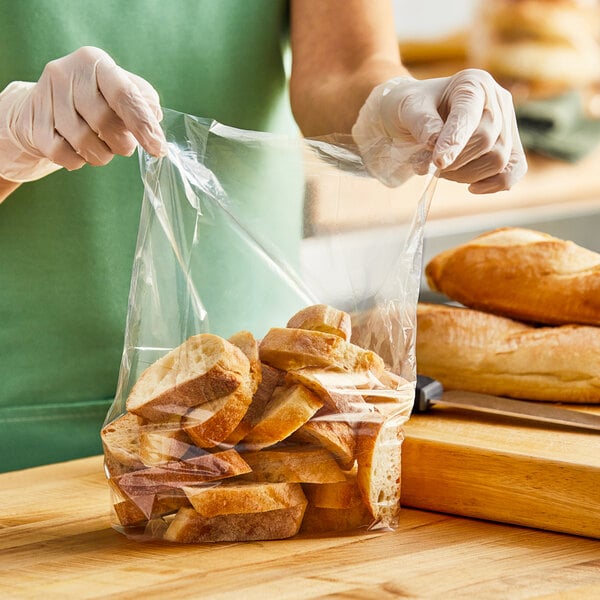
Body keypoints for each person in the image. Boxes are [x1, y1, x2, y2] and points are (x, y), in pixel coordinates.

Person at [0, 0, 527, 472]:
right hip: (20, 421)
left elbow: (343, 66)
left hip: (266, 404)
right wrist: (9, 136)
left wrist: (392, 105)